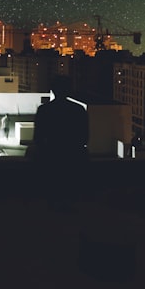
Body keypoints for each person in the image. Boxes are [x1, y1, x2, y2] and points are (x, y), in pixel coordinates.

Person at [28, 76, 88, 210]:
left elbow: (38, 138)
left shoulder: (44, 110)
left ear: (53, 90)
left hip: (50, 155)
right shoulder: (78, 110)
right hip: (72, 157)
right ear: (69, 90)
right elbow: (84, 138)